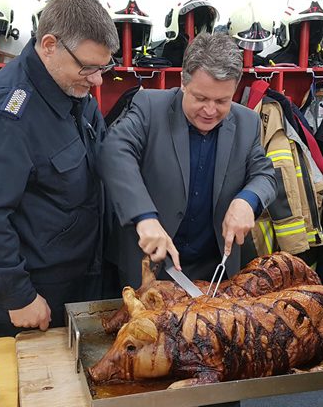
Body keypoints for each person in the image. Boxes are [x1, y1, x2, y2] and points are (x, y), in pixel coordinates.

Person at [0, 0, 119, 336]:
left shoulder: (75, 91)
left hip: (85, 277)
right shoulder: (10, 112)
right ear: (48, 45)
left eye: (103, 67)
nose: (97, 79)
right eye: (88, 67)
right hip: (38, 296)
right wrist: (18, 296)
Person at [99, 33, 277, 288]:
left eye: (222, 101)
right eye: (201, 98)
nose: (210, 110)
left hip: (215, 272)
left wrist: (247, 200)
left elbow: (265, 174)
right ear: (183, 81)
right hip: (149, 266)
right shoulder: (149, 106)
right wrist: (144, 217)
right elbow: (114, 150)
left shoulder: (247, 122)